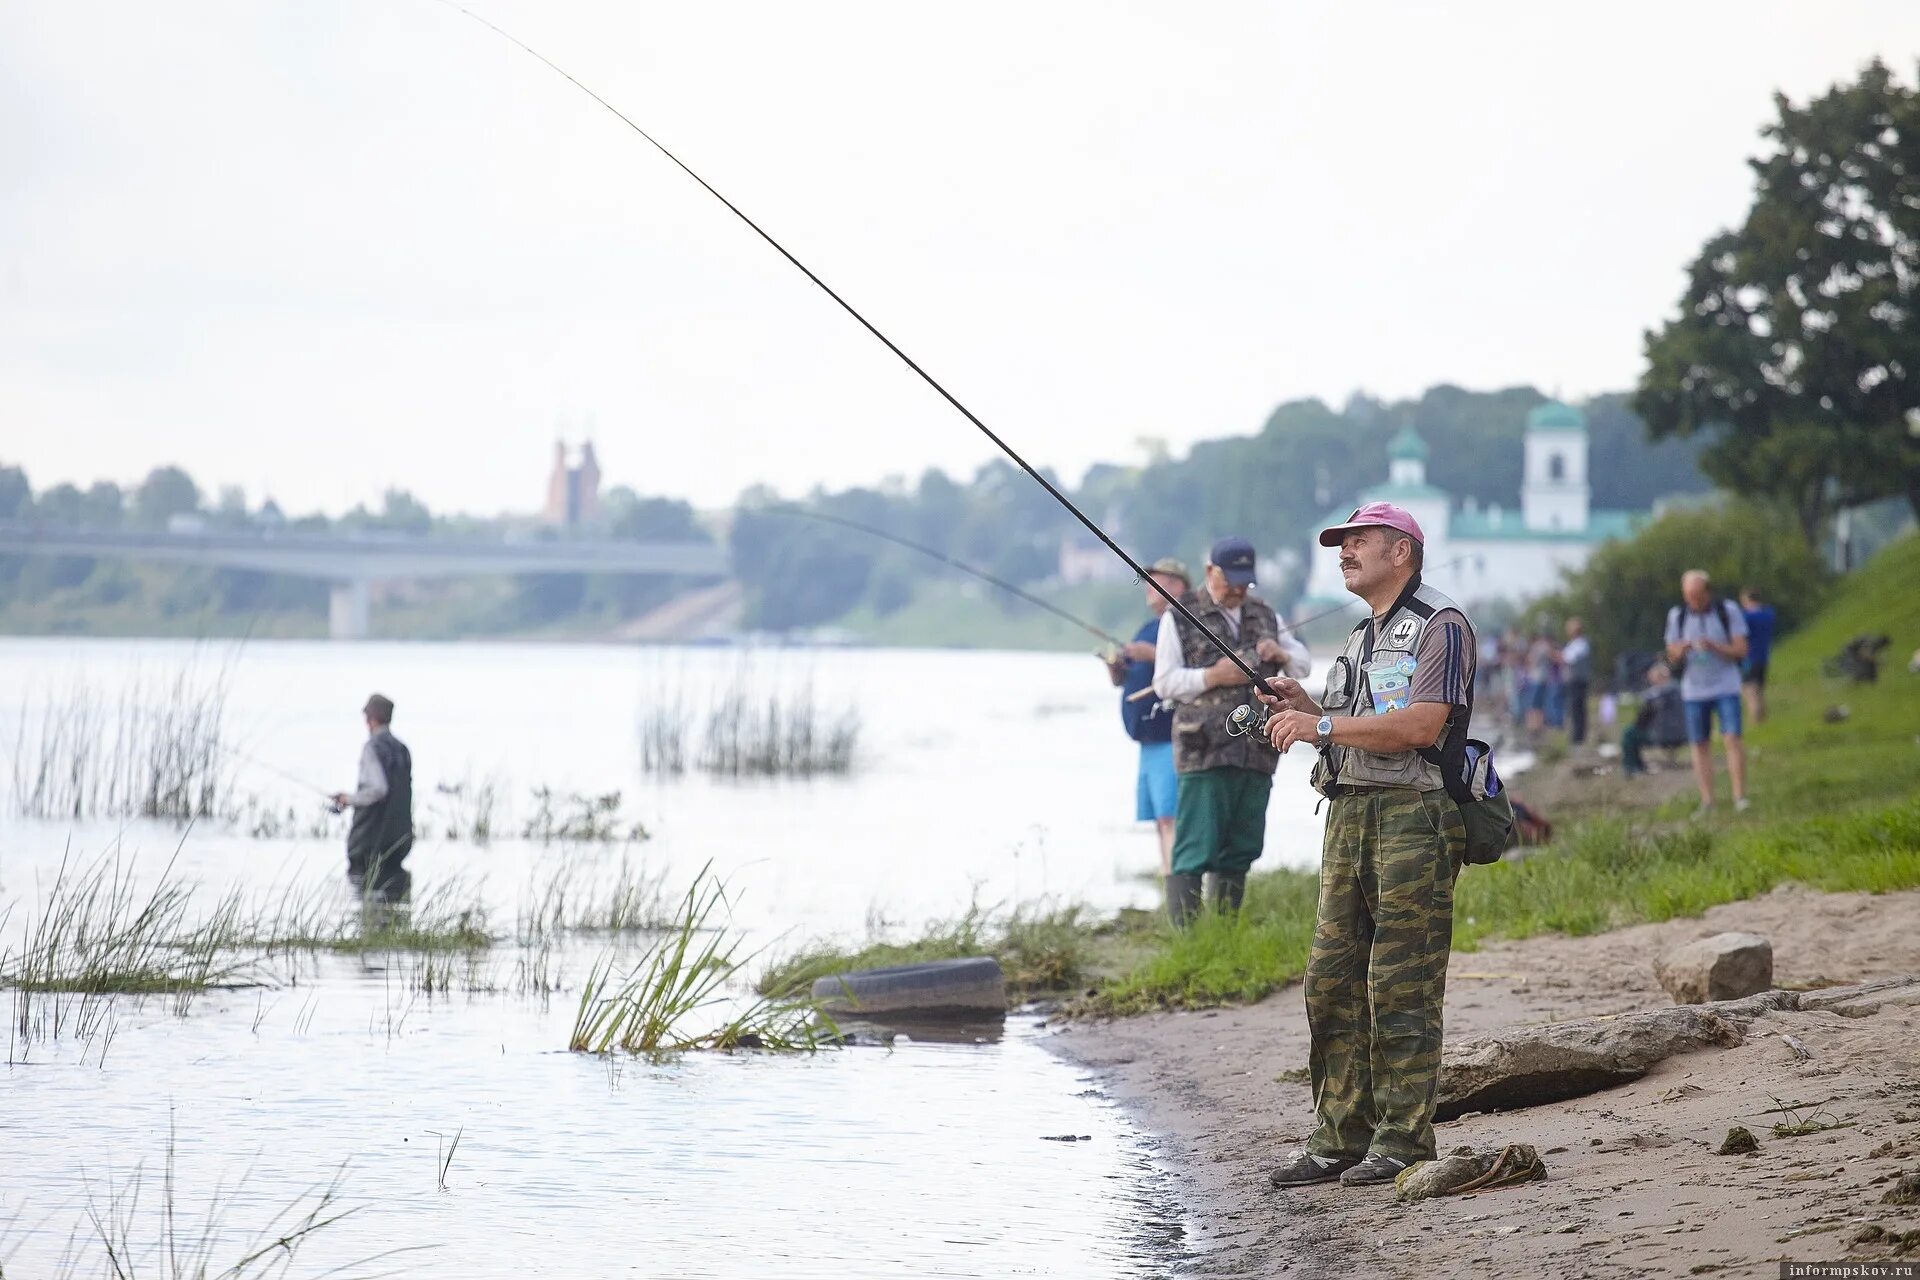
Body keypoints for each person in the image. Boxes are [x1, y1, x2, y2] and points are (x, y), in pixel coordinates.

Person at [1257, 502, 1476, 1189]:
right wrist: (1304, 704)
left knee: (1399, 983)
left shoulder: (1441, 625)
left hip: (1413, 816)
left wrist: (1321, 728)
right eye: (1340, 543)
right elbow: (1348, 724)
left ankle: (1404, 1140)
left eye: (1358, 542)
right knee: (1330, 982)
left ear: (1401, 551)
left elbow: (1417, 726)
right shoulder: (1358, 634)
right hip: (1348, 816)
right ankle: (1339, 1137)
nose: (1345, 552)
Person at [1151, 537, 1309, 925]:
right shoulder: (1179, 614)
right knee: (1194, 847)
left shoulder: (1267, 614)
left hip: (1259, 748)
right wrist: (1212, 676)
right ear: (1210, 572)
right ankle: (1188, 940)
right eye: (1231, 580)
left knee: (1242, 846)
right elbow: (1164, 682)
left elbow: (1303, 665)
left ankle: (1225, 932)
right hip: (1203, 748)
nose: (1239, 589)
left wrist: (1283, 654)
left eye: (1245, 581)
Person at [1104, 557, 1192, 879]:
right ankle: (1169, 879)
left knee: (1173, 817)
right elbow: (1123, 680)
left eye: (1155, 578)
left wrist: (1150, 654)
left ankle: (1180, 888)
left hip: (1171, 735)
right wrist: (1117, 668)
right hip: (1147, 741)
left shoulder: (1186, 622)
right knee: (1160, 819)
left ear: (1177, 584)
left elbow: (1193, 664)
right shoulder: (1147, 627)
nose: (1148, 585)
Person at [1664, 570, 1750, 815]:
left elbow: (1741, 650)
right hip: (1694, 688)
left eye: (1698, 596)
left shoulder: (1728, 611)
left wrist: (1714, 646)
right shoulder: (1677, 616)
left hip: (1726, 684)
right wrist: (1682, 649)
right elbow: (1671, 652)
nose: (1694, 602)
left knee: (1732, 738)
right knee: (1699, 743)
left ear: (1708, 592)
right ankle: (1708, 800)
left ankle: (1739, 796)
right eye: (1689, 597)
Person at [331, 693, 414, 890]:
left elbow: (379, 789)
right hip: (400, 841)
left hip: (370, 842)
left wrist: (348, 799)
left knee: (365, 898)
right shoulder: (403, 749)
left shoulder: (372, 748)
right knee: (394, 902)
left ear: (371, 719)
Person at [1620, 661, 1681, 776]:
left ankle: (1631, 767)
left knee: (1629, 734)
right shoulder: (1678, 688)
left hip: (1664, 734)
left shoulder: (1663, 691)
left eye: (1653, 678)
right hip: (1680, 733)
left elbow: (1646, 698)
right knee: (1633, 731)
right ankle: (1637, 765)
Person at [1739, 586, 1777, 725]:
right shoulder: (1768, 614)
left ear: (1747, 600)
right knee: (1760, 692)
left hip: (1749, 657)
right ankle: (1763, 721)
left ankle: (1755, 722)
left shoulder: (1746, 617)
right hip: (1764, 657)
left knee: (1750, 692)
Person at [1561, 617, 1593, 746]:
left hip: (1578, 680)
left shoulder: (1582, 644)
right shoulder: (1573, 644)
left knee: (1578, 708)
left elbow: (1570, 658)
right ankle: (1576, 735)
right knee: (1574, 708)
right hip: (1572, 680)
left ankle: (1579, 737)